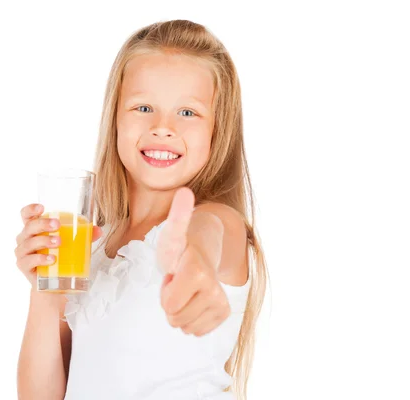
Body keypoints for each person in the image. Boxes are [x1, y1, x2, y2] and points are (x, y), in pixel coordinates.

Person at [15, 19, 268, 400]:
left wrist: (194, 260)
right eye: (143, 107)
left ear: (218, 131)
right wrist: (44, 293)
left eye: (188, 113)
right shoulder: (93, 249)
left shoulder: (220, 222)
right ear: (115, 118)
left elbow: (206, 235)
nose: (163, 127)